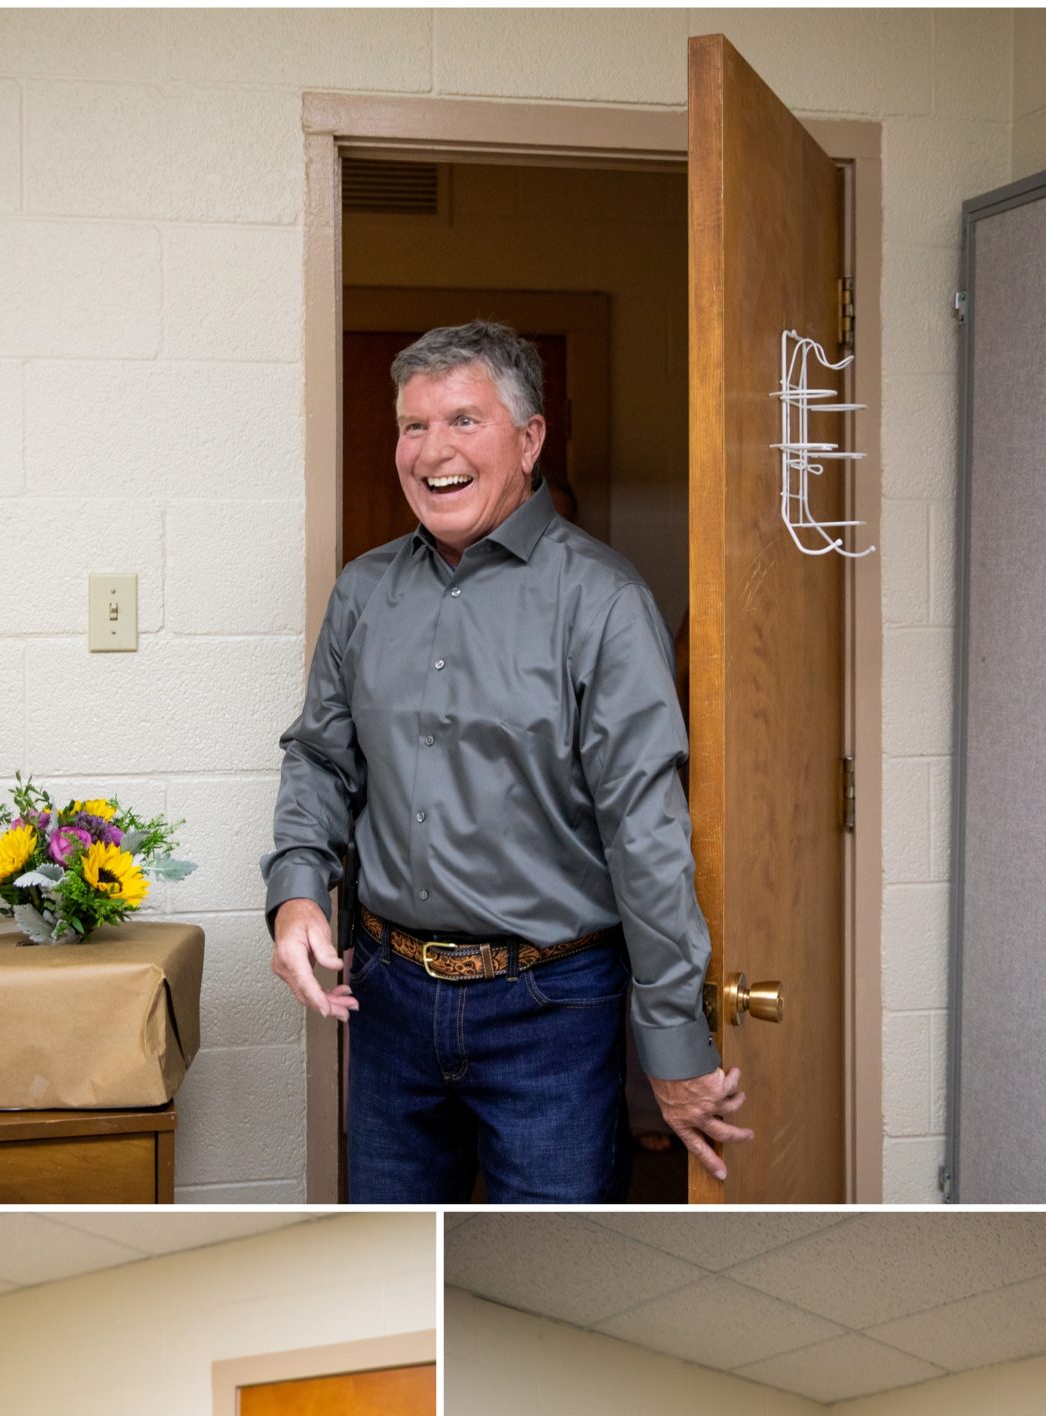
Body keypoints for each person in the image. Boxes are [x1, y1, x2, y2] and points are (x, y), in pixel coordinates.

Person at [267, 317, 749, 1203]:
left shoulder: (603, 602)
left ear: (529, 440)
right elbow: (321, 761)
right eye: (413, 426)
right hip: (386, 999)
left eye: (462, 421)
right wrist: (297, 891)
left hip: (552, 1010)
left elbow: (645, 833)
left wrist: (677, 1050)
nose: (429, 450)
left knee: (555, 1254)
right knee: (392, 1265)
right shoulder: (364, 591)